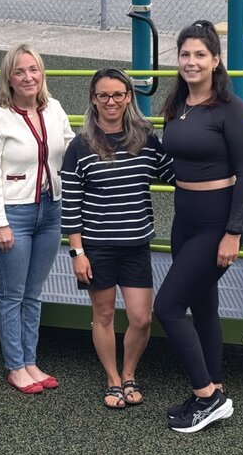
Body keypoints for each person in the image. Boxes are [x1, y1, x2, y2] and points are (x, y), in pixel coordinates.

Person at [155, 20, 243, 433]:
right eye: (185, 55)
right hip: (185, 220)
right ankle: (214, 388)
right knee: (204, 306)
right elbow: (170, 163)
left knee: (168, 307)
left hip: (217, 224)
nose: (191, 62)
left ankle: (206, 396)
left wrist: (233, 232)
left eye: (200, 55)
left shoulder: (231, 110)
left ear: (216, 60)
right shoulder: (178, 106)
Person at [61, 67, 175, 409]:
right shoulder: (79, 148)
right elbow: (71, 205)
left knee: (142, 317)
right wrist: (77, 252)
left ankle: (129, 373)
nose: (111, 102)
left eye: (118, 95)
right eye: (103, 96)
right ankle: (112, 378)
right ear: (93, 101)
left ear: (129, 97)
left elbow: (173, 174)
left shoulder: (145, 138)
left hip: (136, 244)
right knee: (105, 315)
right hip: (97, 246)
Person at [0, 44, 75, 394]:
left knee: (34, 293)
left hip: (51, 210)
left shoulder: (55, 110)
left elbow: (73, 150)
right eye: (19, 71)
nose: (27, 77)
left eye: (33, 69)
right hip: (13, 215)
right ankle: (15, 366)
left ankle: (31, 361)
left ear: (42, 73)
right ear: (9, 78)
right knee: (12, 294)